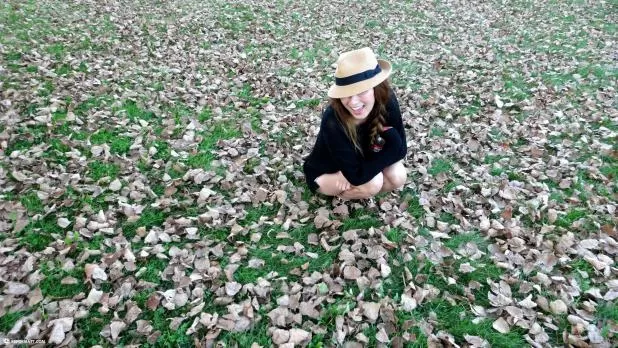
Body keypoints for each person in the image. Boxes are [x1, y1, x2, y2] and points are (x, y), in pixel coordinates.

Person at [303, 47, 408, 200]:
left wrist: (364, 170)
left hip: (362, 163)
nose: (353, 102)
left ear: (376, 87)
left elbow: (401, 150)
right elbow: (358, 175)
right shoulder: (333, 119)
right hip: (330, 172)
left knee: (397, 176)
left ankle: (362, 191)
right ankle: (350, 195)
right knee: (372, 182)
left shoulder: (387, 101)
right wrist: (359, 174)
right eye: (346, 94)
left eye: (362, 91)